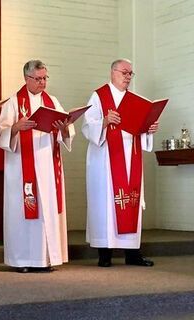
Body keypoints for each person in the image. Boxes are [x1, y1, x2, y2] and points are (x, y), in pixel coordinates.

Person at [0, 60, 75, 273]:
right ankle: (23, 260)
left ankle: (46, 259)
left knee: (46, 212)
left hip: (48, 165)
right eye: (38, 78)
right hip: (22, 168)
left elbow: (67, 131)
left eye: (44, 78)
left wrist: (64, 128)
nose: (42, 83)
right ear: (26, 78)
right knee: (25, 213)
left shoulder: (53, 101)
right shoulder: (13, 103)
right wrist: (15, 128)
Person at [82, 58, 159, 267]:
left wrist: (148, 129)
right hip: (106, 159)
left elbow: (139, 129)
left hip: (130, 157)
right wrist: (105, 122)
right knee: (105, 205)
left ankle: (132, 254)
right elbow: (87, 127)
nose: (128, 77)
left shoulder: (136, 99)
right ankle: (104, 254)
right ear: (113, 72)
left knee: (130, 203)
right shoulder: (99, 96)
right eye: (124, 72)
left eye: (130, 74)